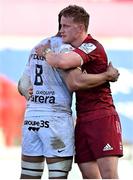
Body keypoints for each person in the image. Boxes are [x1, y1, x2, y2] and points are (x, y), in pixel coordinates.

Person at [35, 5, 123, 179]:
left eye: (66, 26)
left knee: (109, 176)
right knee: (89, 176)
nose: (61, 31)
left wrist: (45, 51)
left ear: (80, 28)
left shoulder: (92, 46)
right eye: (61, 26)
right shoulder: (73, 50)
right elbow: (73, 81)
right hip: (82, 119)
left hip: (102, 117)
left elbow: (62, 63)